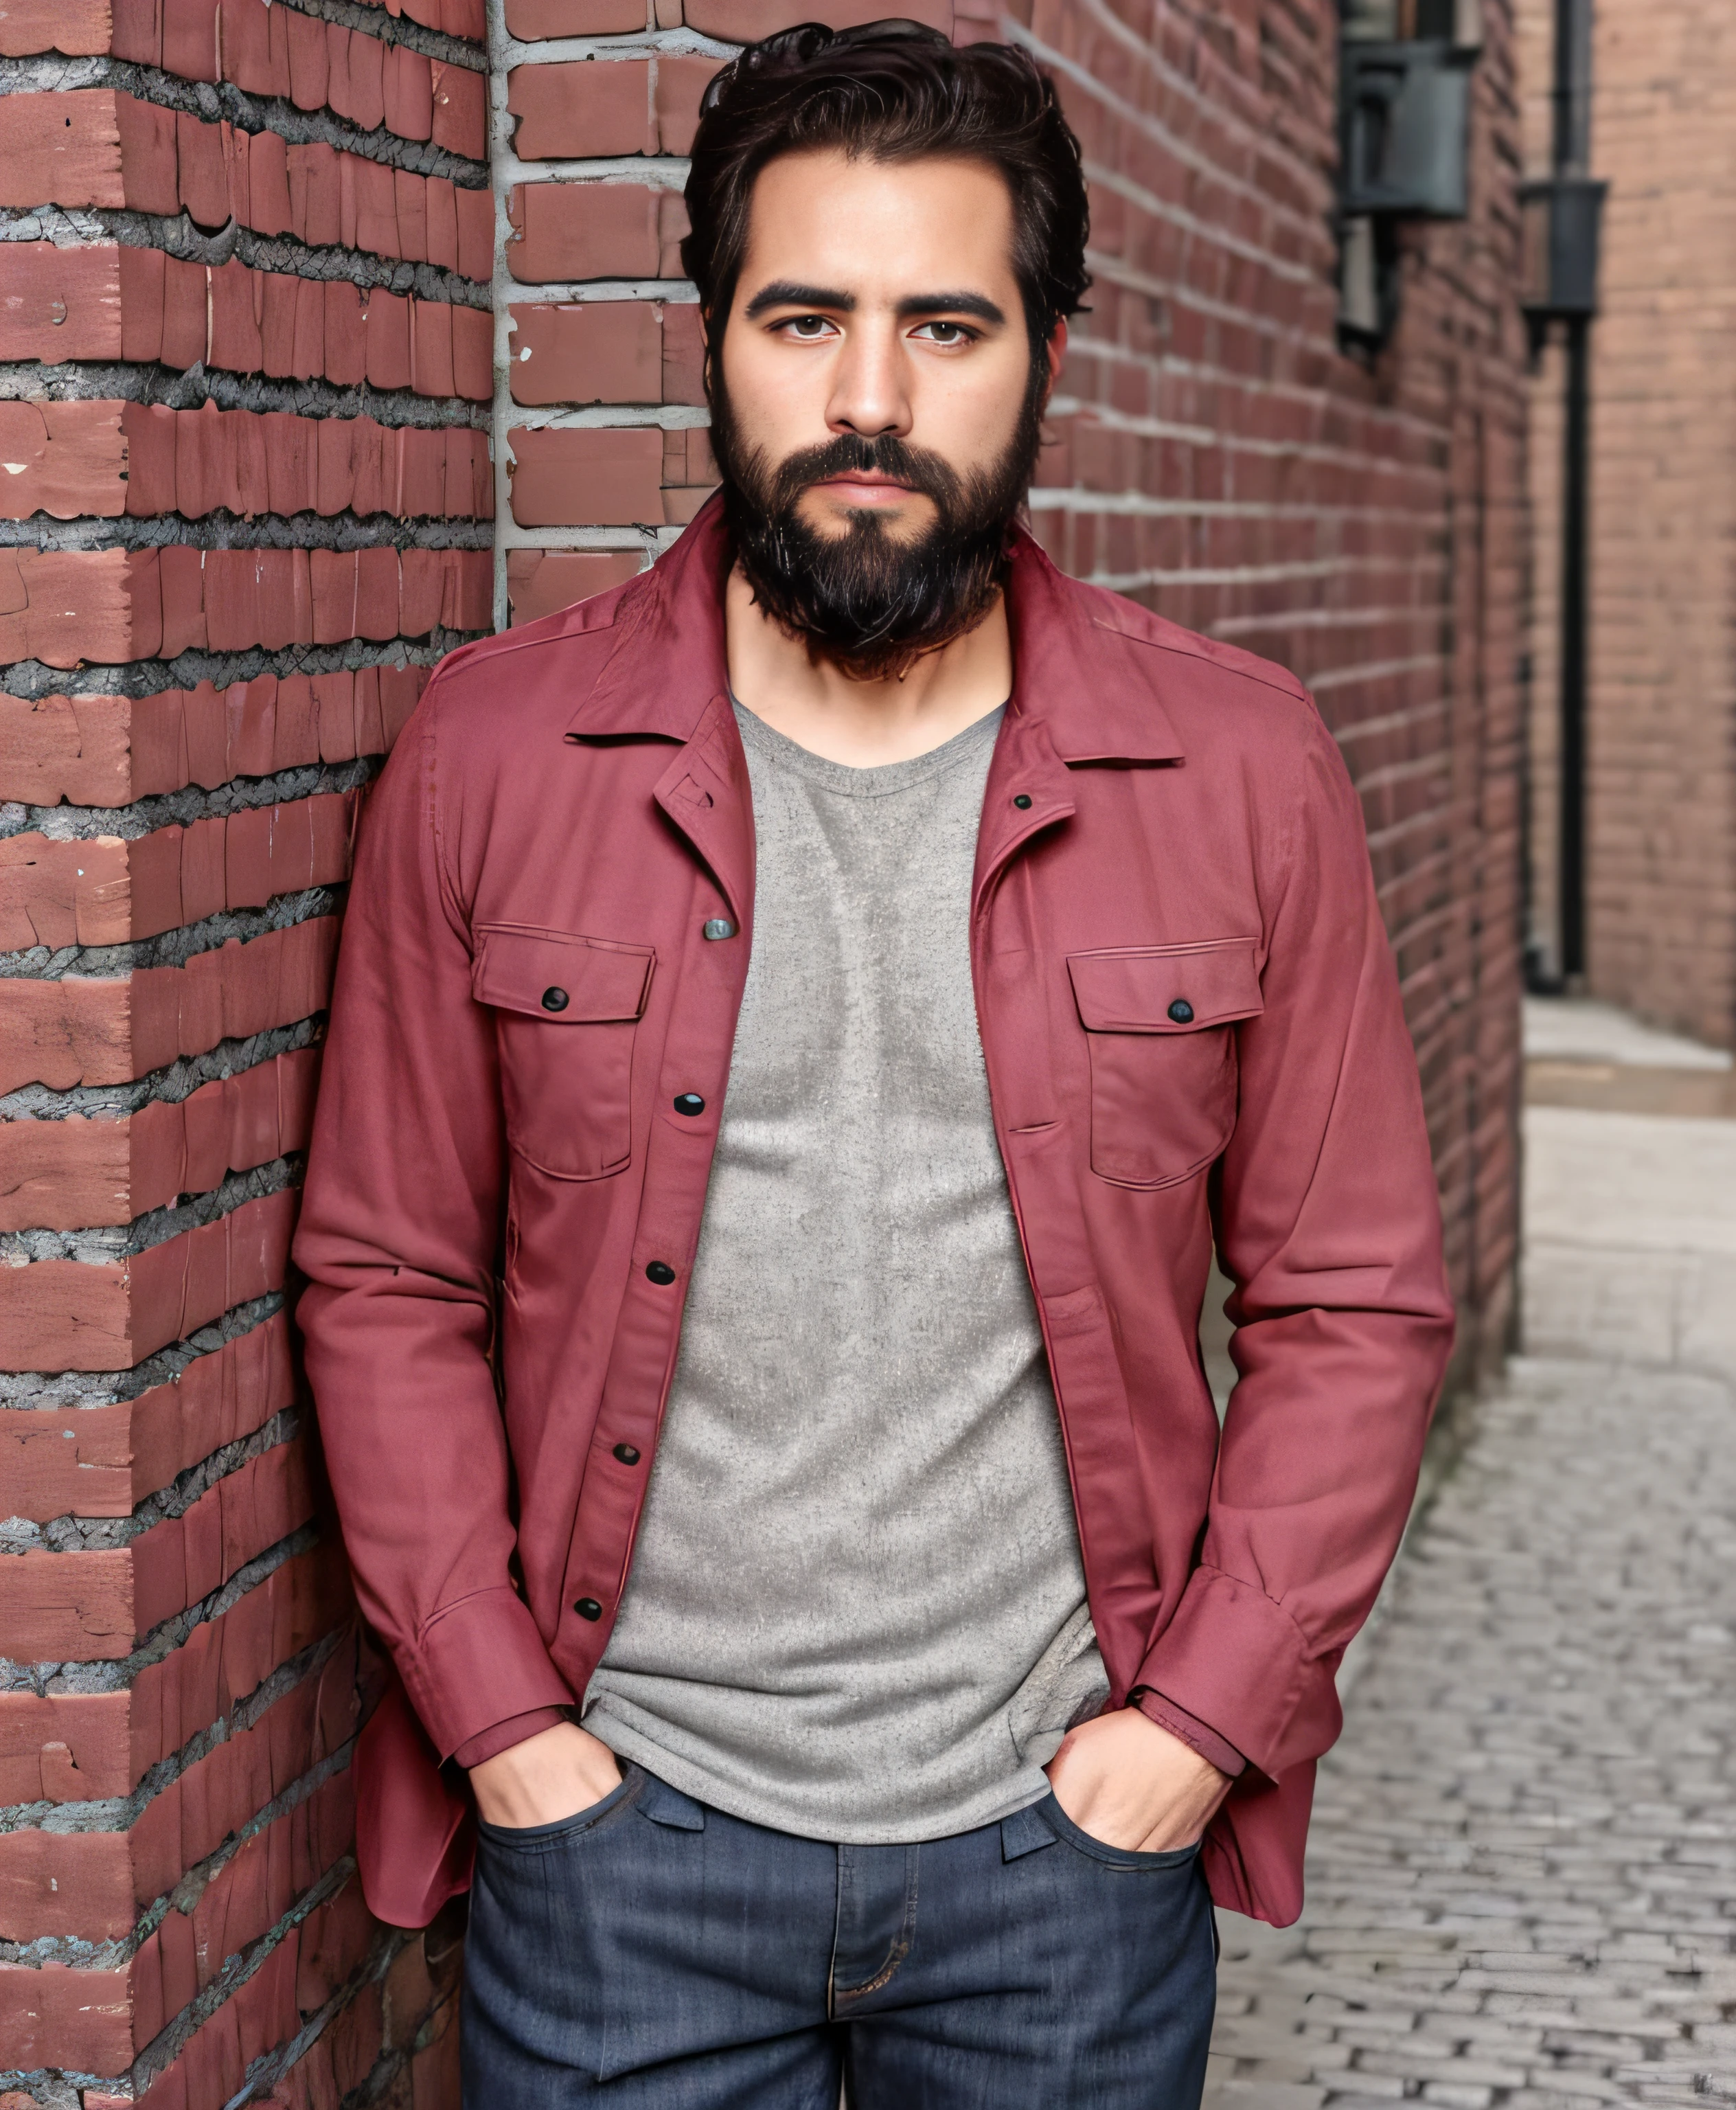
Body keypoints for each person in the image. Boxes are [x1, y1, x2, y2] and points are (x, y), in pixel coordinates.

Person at [294, 21, 1454, 2106]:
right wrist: (507, 1734)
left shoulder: (1243, 768)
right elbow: (388, 1275)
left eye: (947, 324)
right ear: (714, 338)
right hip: (619, 1847)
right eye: (804, 316)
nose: (869, 399)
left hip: (1062, 1866)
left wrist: (1191, 1734)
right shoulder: (489, 757)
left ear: (1045, 352)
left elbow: (1353, 1302)